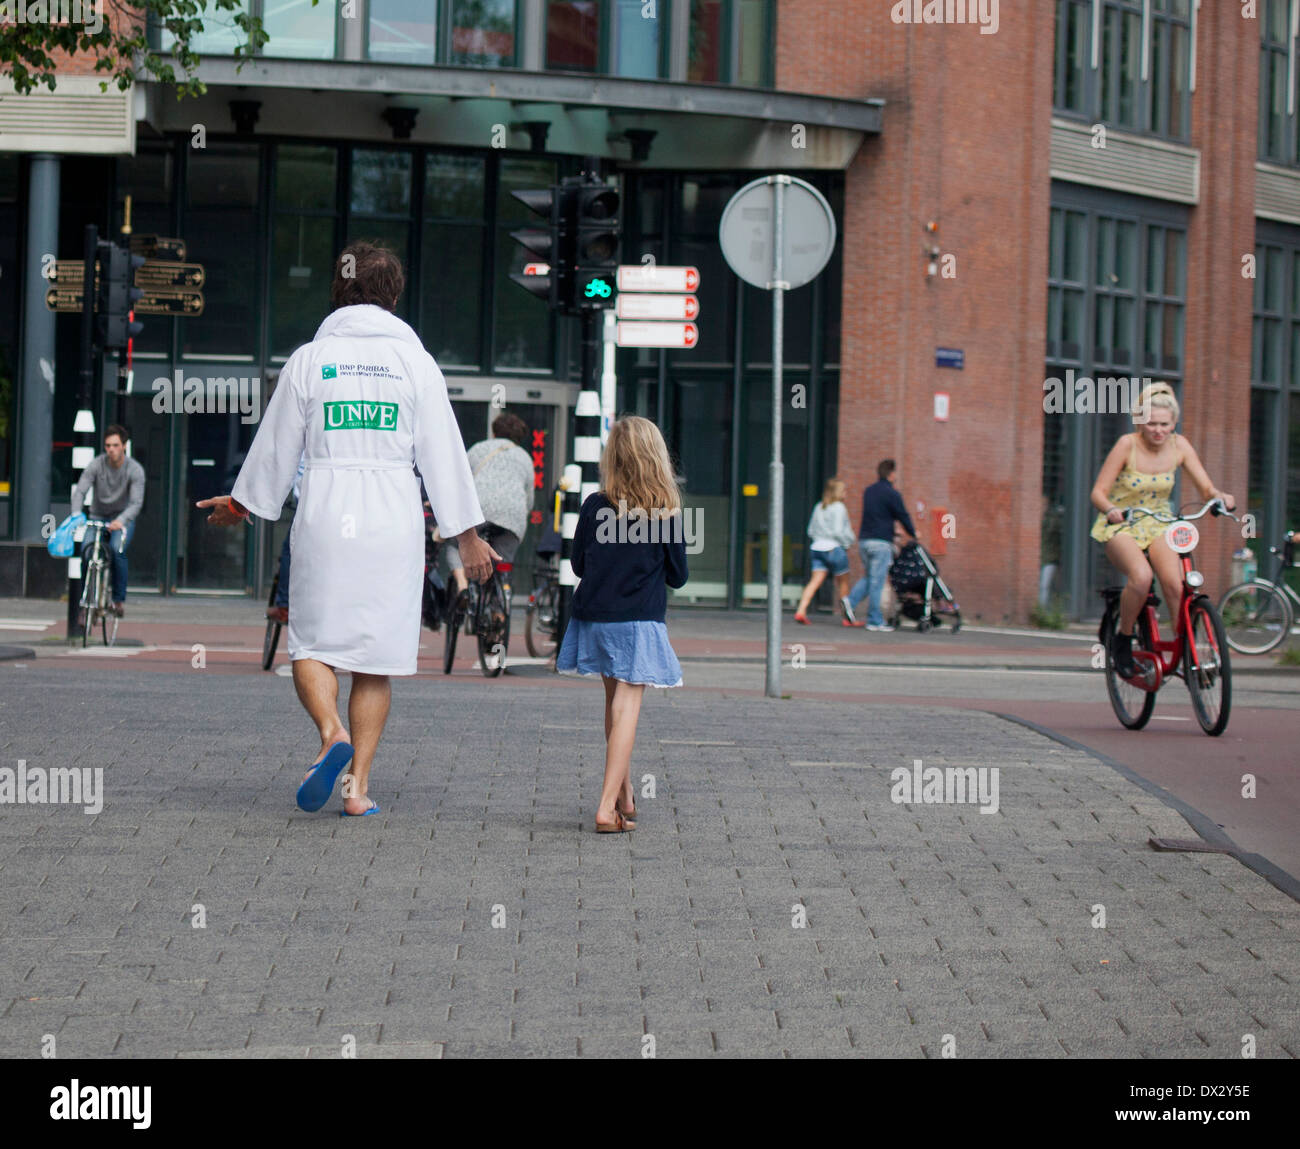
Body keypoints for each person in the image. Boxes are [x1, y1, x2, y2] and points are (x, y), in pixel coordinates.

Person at [197, 241, 495, 816]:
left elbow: (276, 446)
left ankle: (331, 731)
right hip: (392, 515)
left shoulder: (311, 359)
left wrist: (242, 503)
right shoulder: (416, 363)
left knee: (310, 645)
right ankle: (356, 788)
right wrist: (466, 535)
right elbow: (444, 453)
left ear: (339, 289)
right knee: (375, 659)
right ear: (393, 296)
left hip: (327, 511)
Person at [556, 416, 688, 833]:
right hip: (636, 621)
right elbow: (678, 575)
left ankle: (626, 795)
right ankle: (604, 806)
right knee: (627, 708)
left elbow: (577, 564)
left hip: (594, 617)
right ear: (656, 457)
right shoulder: (663, 510)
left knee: (613, 706)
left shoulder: (596, 505)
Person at [1090, 382, 1235, 678]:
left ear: (1174, 424)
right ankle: (1123, 639)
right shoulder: (1126, 445)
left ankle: (1187, 653)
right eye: (1152, 423)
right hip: (1123, 523)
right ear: (1141, 422)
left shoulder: (1179, 445)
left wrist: (1220, 497)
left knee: (1177, 585)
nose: (1158, 430)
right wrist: (1110, 509)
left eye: (1164, 424)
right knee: (1141, 577)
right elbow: (1098, 493)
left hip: (1160, 523)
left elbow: (1206, 488)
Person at [442, 411, 535, 617]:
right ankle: (499, 618)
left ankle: (463, 587)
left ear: (494, 432)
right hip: (512, 516)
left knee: (454, 545)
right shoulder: (525, 458)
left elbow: (460, 478)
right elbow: (529, 500)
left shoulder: (479, 449)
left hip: (480, 509)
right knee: (502, 562)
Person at [70, 424, 146, 617]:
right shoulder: (96, 465)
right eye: (107, 445)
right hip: (97, 517)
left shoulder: (134, 470)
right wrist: (77, 513)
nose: (111, 449)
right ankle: (85, 604)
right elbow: (80, 490)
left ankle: (118, 600)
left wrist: (121, 521)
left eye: (115, 445)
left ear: (124, 446)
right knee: (86, 552)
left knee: (116, 550)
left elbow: (136, 503)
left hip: (122, 519)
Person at [842, 458, 918, 631]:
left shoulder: (868, 491)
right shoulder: (892, 494)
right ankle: (875, 621)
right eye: (895, 473)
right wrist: (913, 533)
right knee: (877, 582)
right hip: (881, 543)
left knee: (870, 577)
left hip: (864, 541)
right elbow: (902, 515)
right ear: (891, 474)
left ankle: (850, 601)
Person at [794, 477, 856, 625]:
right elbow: (838, 531)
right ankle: (846, 617)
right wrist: (849, 541)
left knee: (815, 581)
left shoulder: (819, 506)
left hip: (817, 548)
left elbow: (810, 530)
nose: (846, 494)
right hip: (834, 548)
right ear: (838, 492)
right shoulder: (839, 507)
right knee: (843, 582)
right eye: (844, 491)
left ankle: (801, 610)